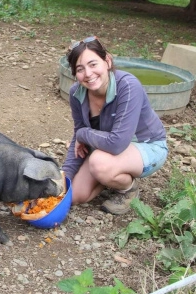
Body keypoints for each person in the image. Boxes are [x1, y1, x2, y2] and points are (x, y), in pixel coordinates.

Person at [61, 36, 168, 214]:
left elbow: (116, 143)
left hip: (147, 146)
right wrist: (64, 177)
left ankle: (128, 189)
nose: (88, 74)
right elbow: (78, 134)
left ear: (107, 61)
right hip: (107, 148)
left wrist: (83, 134)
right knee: (75, 195)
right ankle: (109, 175)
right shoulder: (76, 93)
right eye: (80, 69)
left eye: (93, 64)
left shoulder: (128, 85)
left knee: (98, 162)